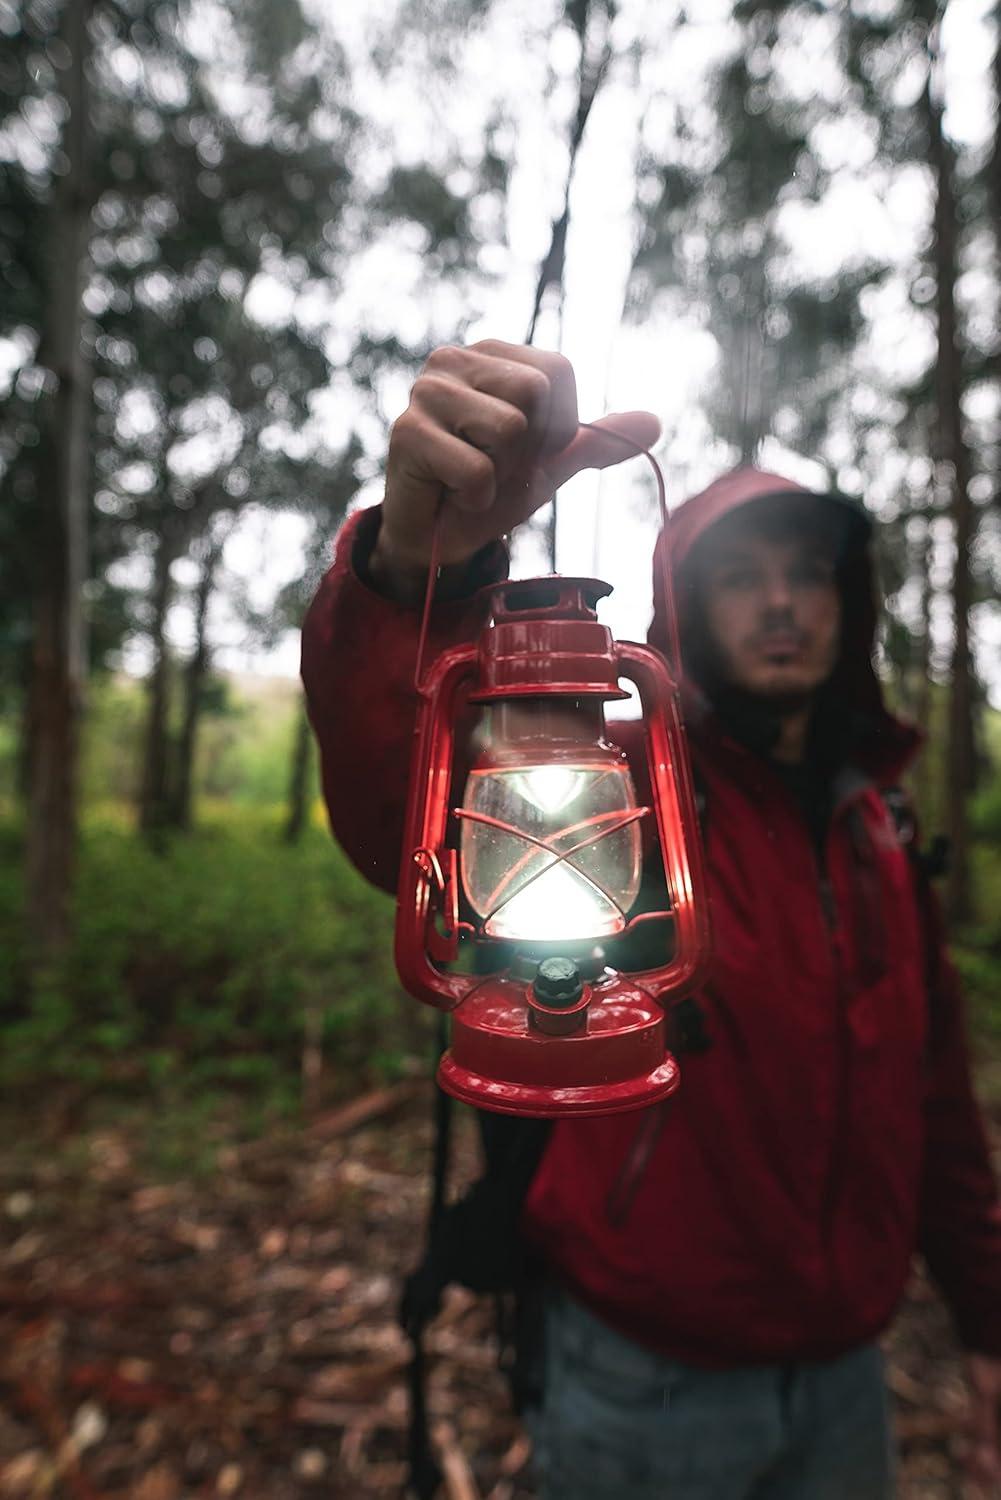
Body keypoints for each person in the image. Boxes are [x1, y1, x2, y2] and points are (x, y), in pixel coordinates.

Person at [301, 340, 1001, 1498]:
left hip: (843, 1370)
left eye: (807, 572)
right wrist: (418, 570)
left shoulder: (876, 826)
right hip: (641, 1373)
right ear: (682, 598)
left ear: (847, 604)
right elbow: (396, 808)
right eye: (740, 576)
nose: (779, 600)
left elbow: (932, 1096)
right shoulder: (614, 776)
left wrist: (984, 1322)